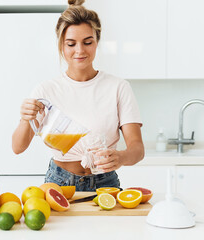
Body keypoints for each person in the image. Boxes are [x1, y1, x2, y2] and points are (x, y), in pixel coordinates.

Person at [12, 0, 144, 191]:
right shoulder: (45, 91)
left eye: (87, 42)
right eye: (71, 44)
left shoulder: (118, 87)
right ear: (61, 46)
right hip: (59, 182)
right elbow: (18, 147)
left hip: (105, 183)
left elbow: (137, 149)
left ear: (97, 42)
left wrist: (121, 157)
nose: (80, 51)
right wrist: (26, 119)